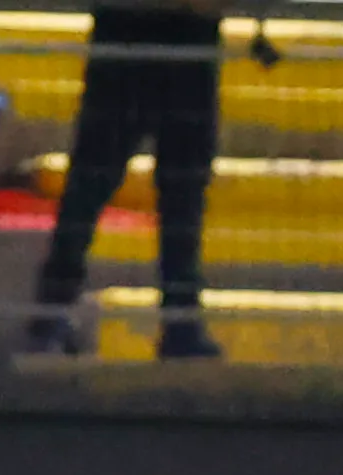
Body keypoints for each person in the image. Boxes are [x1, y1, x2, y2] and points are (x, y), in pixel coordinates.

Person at [27, 0, 225, 360]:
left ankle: (181, 323)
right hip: (125, 47)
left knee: (183, 194)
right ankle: (51, 313)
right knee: (91, 184)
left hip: (188, 55)